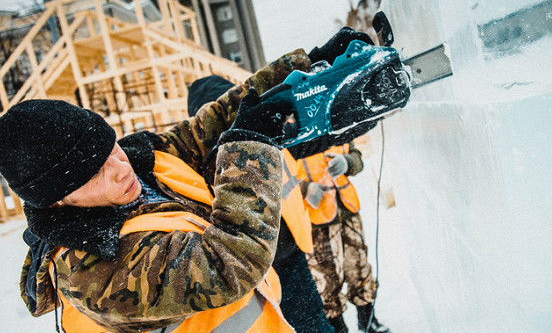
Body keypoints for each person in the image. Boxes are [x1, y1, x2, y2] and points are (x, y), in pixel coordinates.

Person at [1, 27, 377, 333]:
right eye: (95, 173)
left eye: (112, 148)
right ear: (56, 201)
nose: (121, 167)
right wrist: (251, 146)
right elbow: (228, 263)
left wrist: (306, 67)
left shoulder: (141, 161)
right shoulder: (92, 274)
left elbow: (210, 125)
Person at [188, 75, 334, 333]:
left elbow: (317, 135)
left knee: (314, 325)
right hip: (256, 276)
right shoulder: (204, 167)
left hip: (290, 257)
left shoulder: (262, 135)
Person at [297, 142, 391, 333]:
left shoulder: (335, 120)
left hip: (347, 209)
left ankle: (368, 321)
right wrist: (304, 189)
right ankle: (338, 329)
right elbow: (279, 173)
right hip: (317, 218)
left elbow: (356, 156)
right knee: (327, 279)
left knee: (360, 267)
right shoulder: (287, 127)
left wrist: (347, 163)